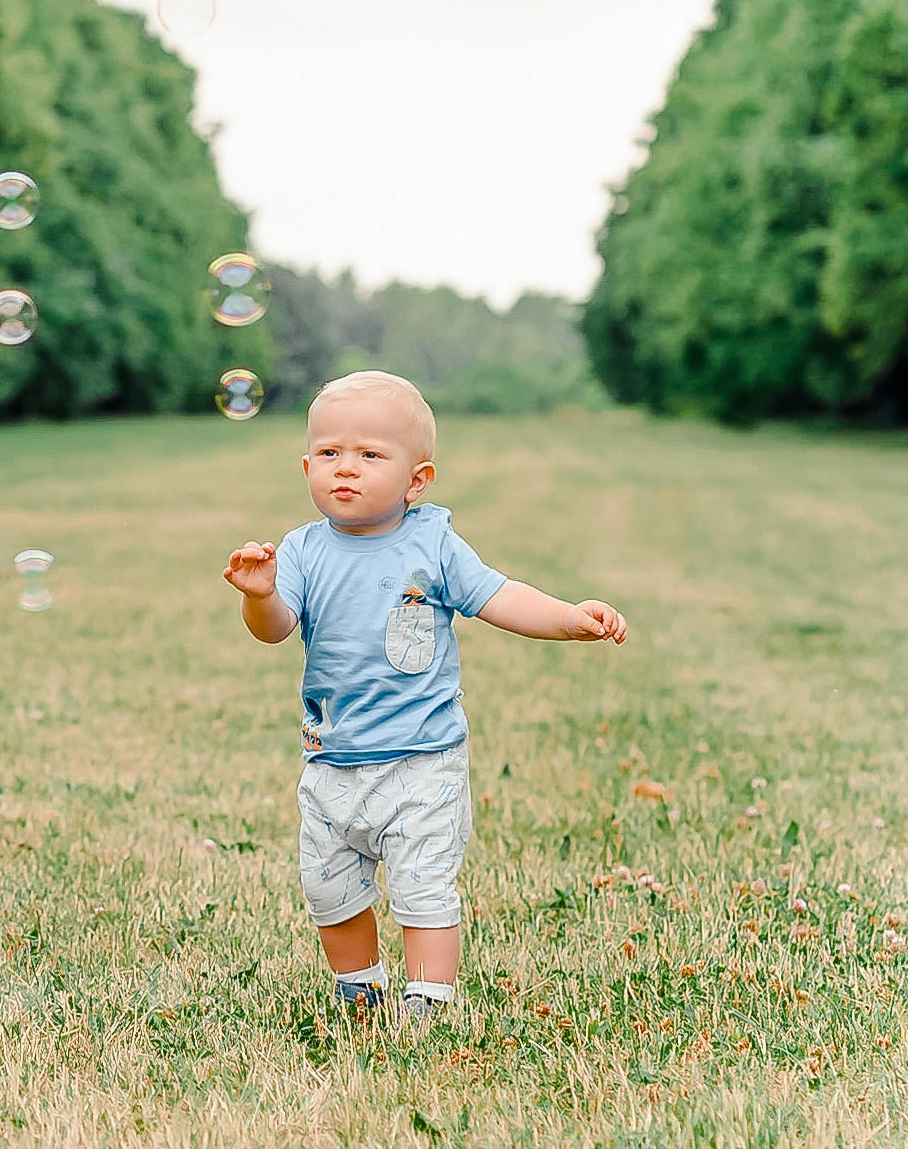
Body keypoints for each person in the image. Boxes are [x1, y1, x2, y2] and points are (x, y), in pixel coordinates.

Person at [223, 370, 627, 1025]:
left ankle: (427, 1008)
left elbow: (500, 596)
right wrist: (259, 594)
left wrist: (566, 617)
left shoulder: (431, 543)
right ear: (305, 466)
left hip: (422, 764)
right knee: (328, 890)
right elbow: (274, 632)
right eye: (328, 454)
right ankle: (360, 993)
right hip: (331, 762)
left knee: (422, 889)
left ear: (416, 481)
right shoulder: (298, 550)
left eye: (368, 455)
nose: (343, 468)